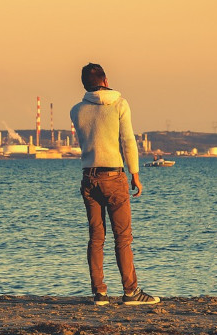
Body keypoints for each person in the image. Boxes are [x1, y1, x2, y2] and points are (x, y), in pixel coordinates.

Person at [70, 63, 160, 306]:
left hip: (89, 177)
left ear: (84, 84)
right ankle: (131, 292)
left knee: (96, 237)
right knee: (123, 237)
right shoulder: (120, 104)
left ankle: (99, 293)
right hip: (114, 177)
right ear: (106, 80)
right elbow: (128, 141)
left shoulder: (76, 110)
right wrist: (135, 174)